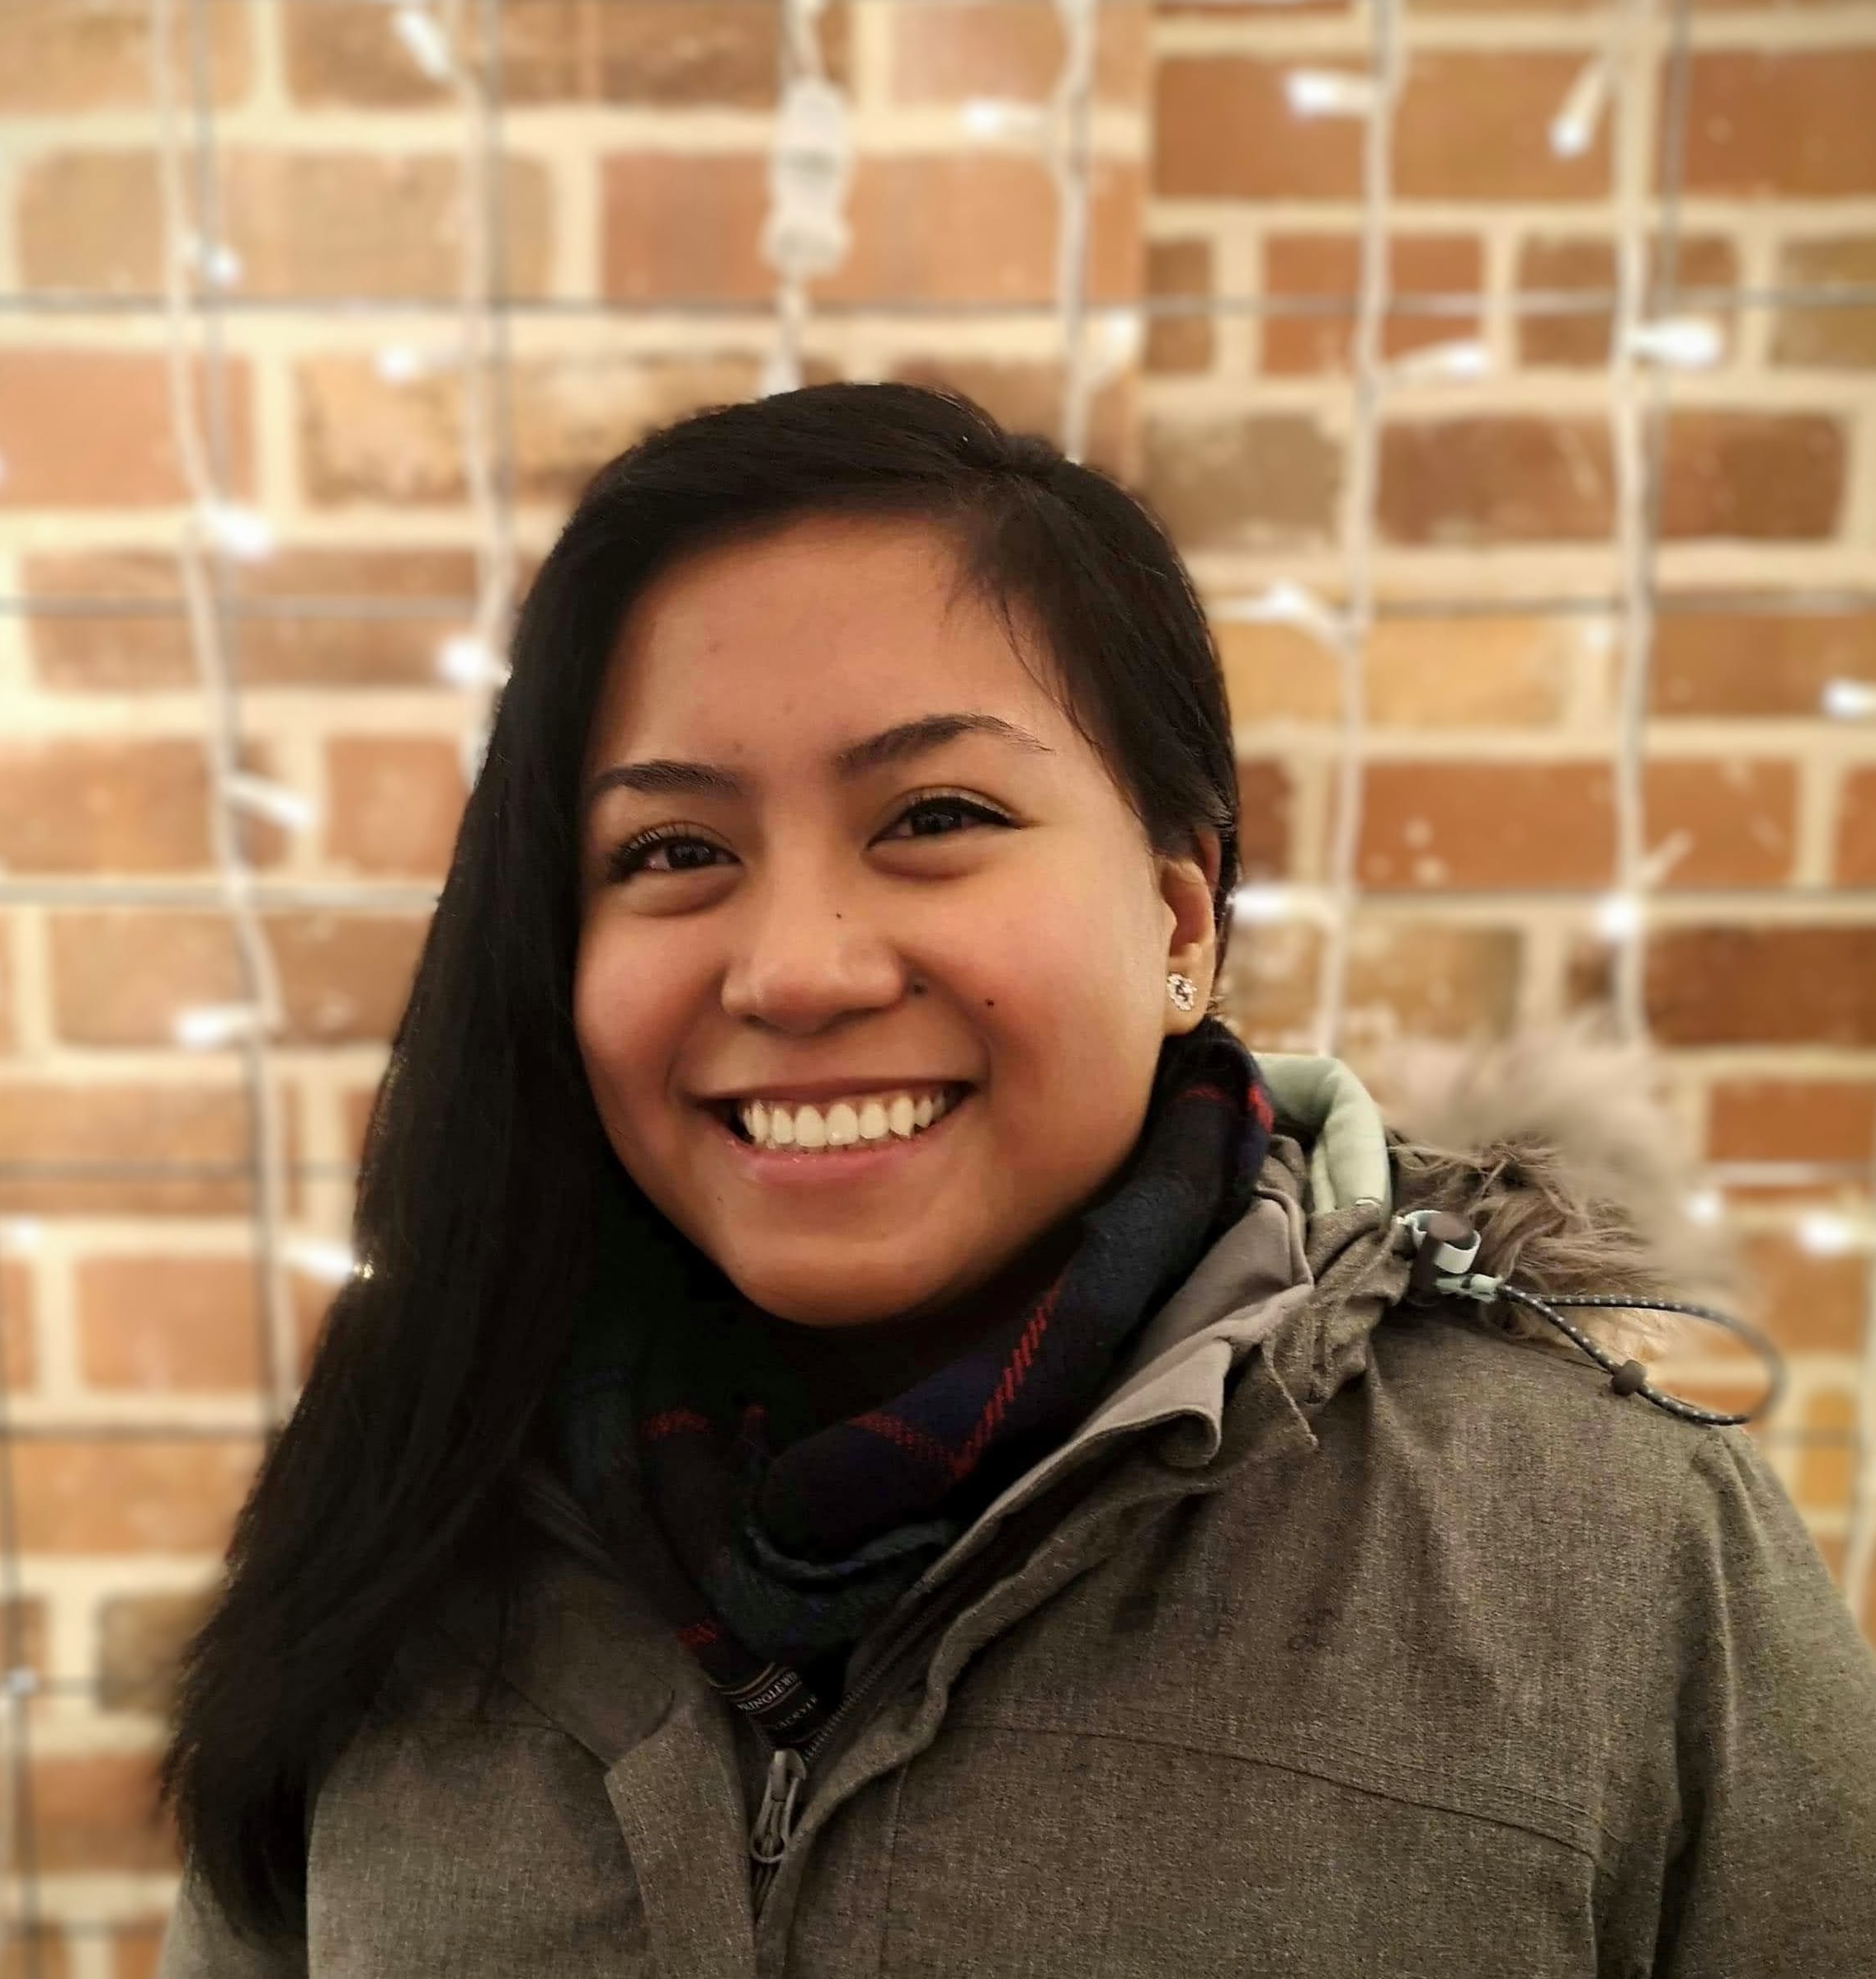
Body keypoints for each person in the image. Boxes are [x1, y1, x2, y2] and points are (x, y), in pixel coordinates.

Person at [157, 382, 1876, 1977]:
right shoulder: (410, 1520)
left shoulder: (1597, 1553)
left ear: (1177, 916)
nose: (798, 970)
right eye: (673, 851)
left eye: (934, 816)